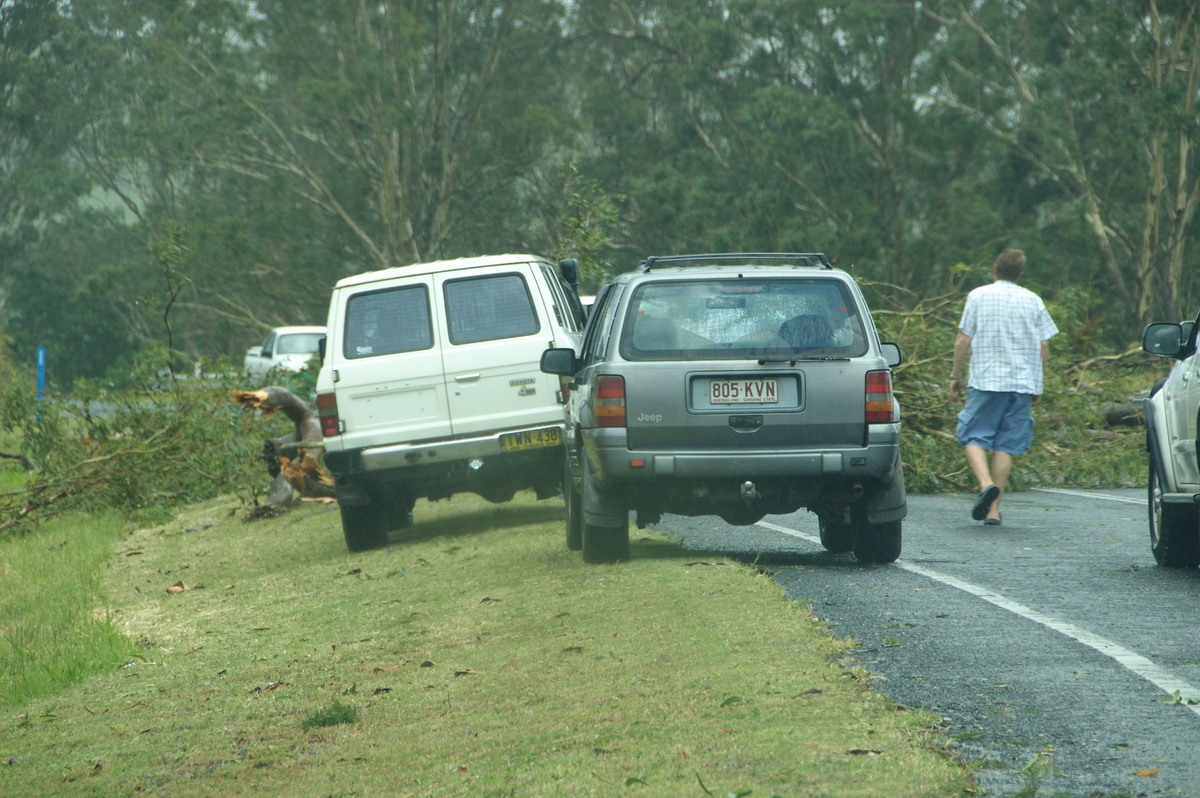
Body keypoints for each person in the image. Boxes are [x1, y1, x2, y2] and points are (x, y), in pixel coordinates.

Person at [950, 249, 1059, 525]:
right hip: (1022, 383)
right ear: (1020, 273)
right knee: (1006, 444)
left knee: (971, 434)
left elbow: (963, 338)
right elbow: (1043, 343)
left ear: (994, 270)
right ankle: (994, 511)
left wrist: (955, 375)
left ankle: (986, 484)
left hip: (986, 379)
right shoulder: (1033, 300)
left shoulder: (978, 295)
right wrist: (1038, 382)